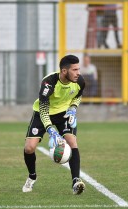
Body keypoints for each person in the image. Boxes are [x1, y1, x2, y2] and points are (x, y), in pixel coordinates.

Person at [22, 55, 86, 194]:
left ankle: (76, 181)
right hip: (42, 113)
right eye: (74, 70)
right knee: (29, 148)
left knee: (71, 141)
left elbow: (78, 95)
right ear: (64, 71)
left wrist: (73, 108)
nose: (78, 73)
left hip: (63, 114)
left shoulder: (79, 81)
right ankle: (32, 176)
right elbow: (43, 110)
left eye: (78, 69)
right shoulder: (48, 83)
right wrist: (51, 130)